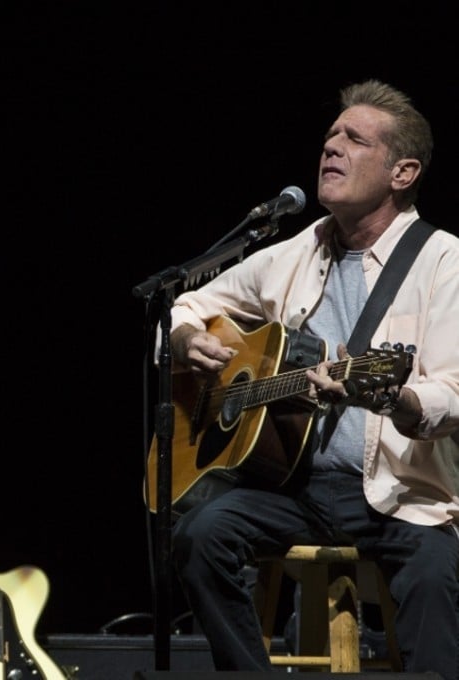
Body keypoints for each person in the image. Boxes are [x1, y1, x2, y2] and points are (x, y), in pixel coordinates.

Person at [164, 79, 459, 678]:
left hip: (399, 497)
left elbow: (452, 394)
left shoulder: (443, 261)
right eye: (330, 135)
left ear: (402, 173)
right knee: (199, 536)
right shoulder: (297, 250)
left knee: (434, 578)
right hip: (293, 490)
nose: (332, 147)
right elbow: (184, 305)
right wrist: (187, 341)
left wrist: (394, 397)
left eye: (354, 139)